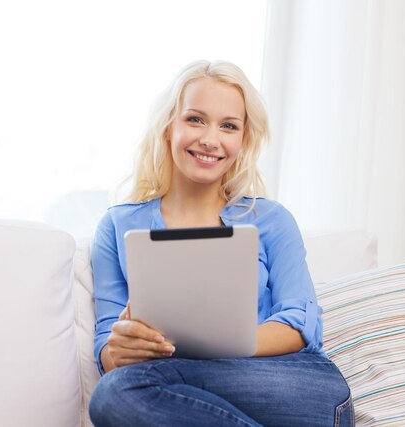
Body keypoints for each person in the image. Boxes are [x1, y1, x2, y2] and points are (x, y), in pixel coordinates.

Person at [89, 60, 354, 426]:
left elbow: (300, 324)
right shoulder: (117, 226)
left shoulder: (271, 220)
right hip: (176, 395)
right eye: (195, 119)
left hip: (296, 385)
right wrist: (120, 348)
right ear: (169, 127)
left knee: (122, 391)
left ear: (243, 140)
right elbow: (107, 346)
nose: (210, 139)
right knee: (116, 393)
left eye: (228, 126)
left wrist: (210, 348)